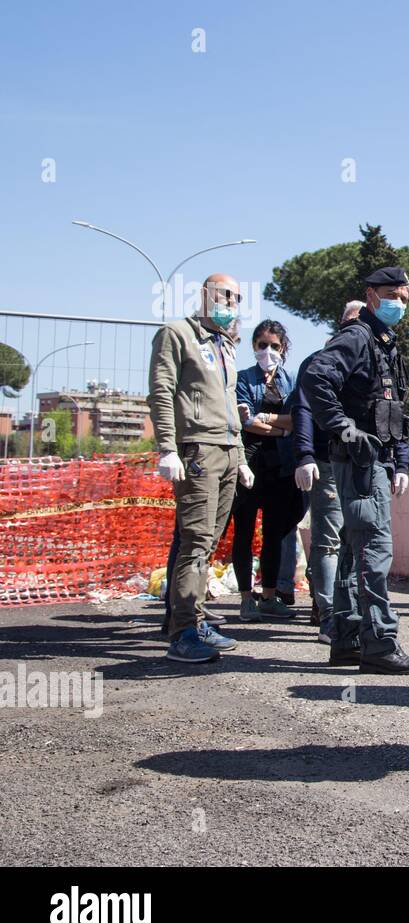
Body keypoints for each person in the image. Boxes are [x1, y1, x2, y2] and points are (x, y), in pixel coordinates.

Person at [301, 267, 409, 676]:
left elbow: (393, 411)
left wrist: (398, 460)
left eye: (405, 298)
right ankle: (380, 643)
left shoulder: (382, 342)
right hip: (359, 462)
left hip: (372, 462)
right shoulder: (357, 336)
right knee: (374, 549)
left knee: (355, 552)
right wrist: (344, 428)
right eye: (392, 295)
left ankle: (348, 639)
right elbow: (316, 376)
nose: (399, 304)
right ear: (371, 295)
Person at [147, 273, 254, 662]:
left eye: (237, 297)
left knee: (208, 544)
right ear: (205, 295)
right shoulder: (176, 334)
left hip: (226, 450)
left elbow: (228, 403)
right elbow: (160, 391)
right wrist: (167, 449)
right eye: (224, 294)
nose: (230, 302)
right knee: (193, 542)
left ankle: (195, 617)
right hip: (197, 450)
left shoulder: (225, 345)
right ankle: (183, 632)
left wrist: (240, 456)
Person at [291, 300, 363, 643]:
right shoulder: (318, 362)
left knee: (357, 538)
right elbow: (303, 411)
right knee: (328, 538)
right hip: (327, 459)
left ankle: (346, 611)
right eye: (352, 319)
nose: (357, 326)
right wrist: (304, 455)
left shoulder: (372, 359)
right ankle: (331, 616)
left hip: (363, 462)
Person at [233, 319, 305, 622]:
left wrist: (266, 419)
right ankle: (246, 599)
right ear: (253, 346)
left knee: (275, 534)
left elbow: (297, 418)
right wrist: (280, 428)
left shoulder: (290, 380)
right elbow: (244, 421)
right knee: (245, 532)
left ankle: (270, 596)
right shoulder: (242, 378)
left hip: (282, 469)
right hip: (250, 465)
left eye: (274, 346)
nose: (268, 351)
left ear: (284, 348)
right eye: (262, 345)